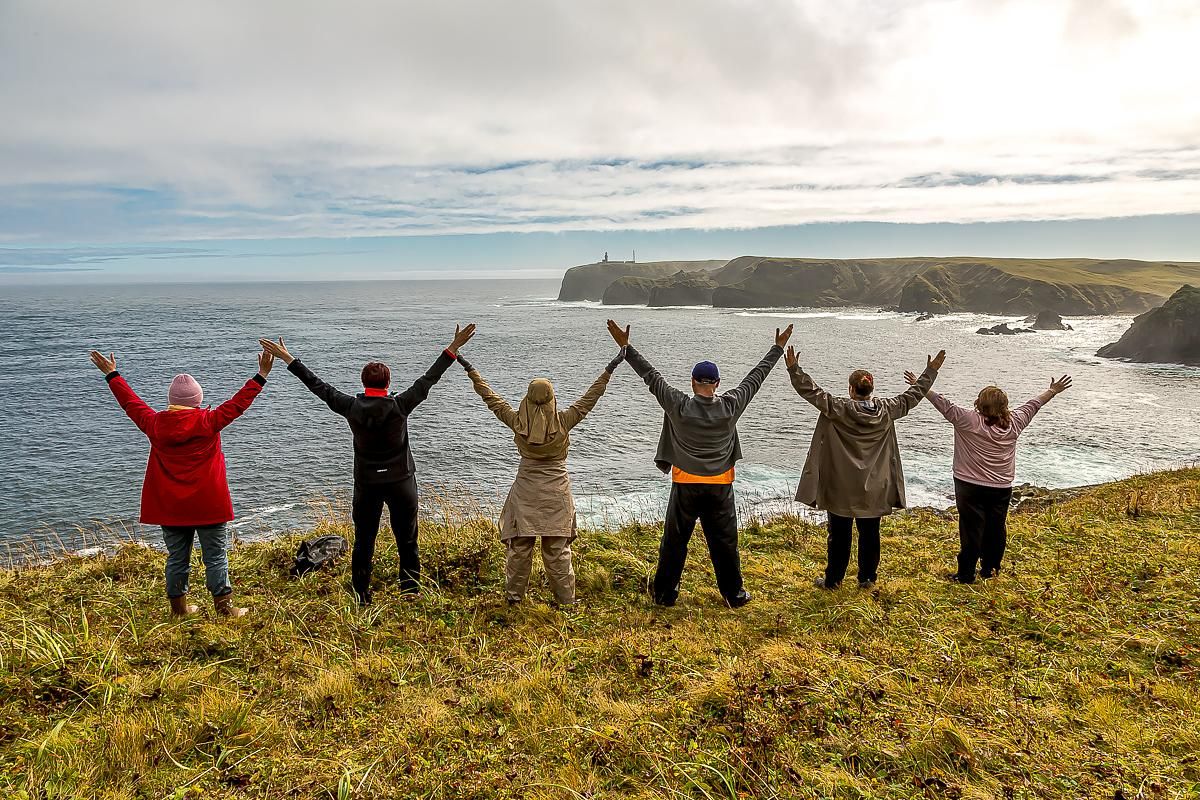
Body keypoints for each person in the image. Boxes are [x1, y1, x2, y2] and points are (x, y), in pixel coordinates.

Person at [259, 326, 475, 605]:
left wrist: (289, 358)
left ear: (363, 383)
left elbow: (317, 385)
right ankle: (409, 592)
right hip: (401, 482)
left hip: (367, 484)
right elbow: (430, 378)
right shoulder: (400, 406)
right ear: (388, 383)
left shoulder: (351, 407)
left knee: (364, 541)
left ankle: (362, 594)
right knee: (407, 539)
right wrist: (453, 347)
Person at [608, 318, 793, 608]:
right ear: (717, 383)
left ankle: (665, 595)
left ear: (693, 382)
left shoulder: (679, 405)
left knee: (675, 543)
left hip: (685, 485)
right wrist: (777, 348)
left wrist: (626, 347)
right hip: (720, 485)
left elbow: (651, 375)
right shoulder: (731, 405)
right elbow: (756, 377)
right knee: (724, 543)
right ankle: (734, 595)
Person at [88, 346, 273, 618]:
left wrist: (112, 374)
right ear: (198, 400)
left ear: (170, 401)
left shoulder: (154, 424)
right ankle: (225, 609)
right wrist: (261, 375)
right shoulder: (209, 421)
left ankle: (180, 610)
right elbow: (238, 404)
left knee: (177, 558)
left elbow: (130, 402)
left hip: (171, 506)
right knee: (216, 557)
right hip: (209, 503)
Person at [458, 346, 625, 605]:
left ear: (527, 397)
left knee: (520, 549)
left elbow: (489, 397)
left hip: (525, 489)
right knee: (558, 551)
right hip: (557, 491)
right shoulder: (564, 421)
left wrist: (470, 369)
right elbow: (592, 396)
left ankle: (514, 599)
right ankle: (566, 601)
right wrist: (611, 366)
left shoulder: (516, 421)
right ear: (552, 398)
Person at [787, 346, 945, 590]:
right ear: (872, 390)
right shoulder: (887, 410)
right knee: (870, 535)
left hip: (840, 485)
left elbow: (811, 392)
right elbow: (913, 395)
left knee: (839, 535)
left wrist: (794, 369)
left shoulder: (838, 408)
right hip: (874, 485)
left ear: (851, 390)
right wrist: (930, 371)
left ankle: (833, 580)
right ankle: (867, 579)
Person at [909, 372, 1073, 583]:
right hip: (1001, 486)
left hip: (969, 485)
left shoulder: (967, 419)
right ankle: (991, 569)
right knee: (996, 528)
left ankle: (966, 573)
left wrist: (920, 384)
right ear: (1005, 405)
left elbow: (942, 403)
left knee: (971, 529)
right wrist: (1053, 390)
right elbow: (1034, 404)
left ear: (979, 403)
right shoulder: (1016, 421)